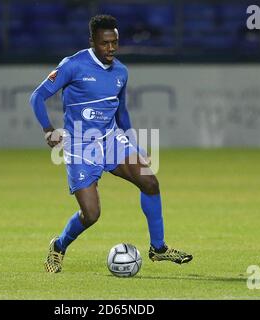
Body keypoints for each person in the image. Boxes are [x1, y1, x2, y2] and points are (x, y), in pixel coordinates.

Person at [30, 14, 193, 273]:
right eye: (105, 43)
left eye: (115, 42)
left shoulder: (121, 71)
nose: (111, 49)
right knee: (91, 215)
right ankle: (59, 245)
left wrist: (135, 145)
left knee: (149, 181)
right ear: (93, 41)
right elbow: (36, 97)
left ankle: (158, 248)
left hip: (110, 140)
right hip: (81, 146)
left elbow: (122, 112)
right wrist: (48, 130)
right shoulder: (73, 65)